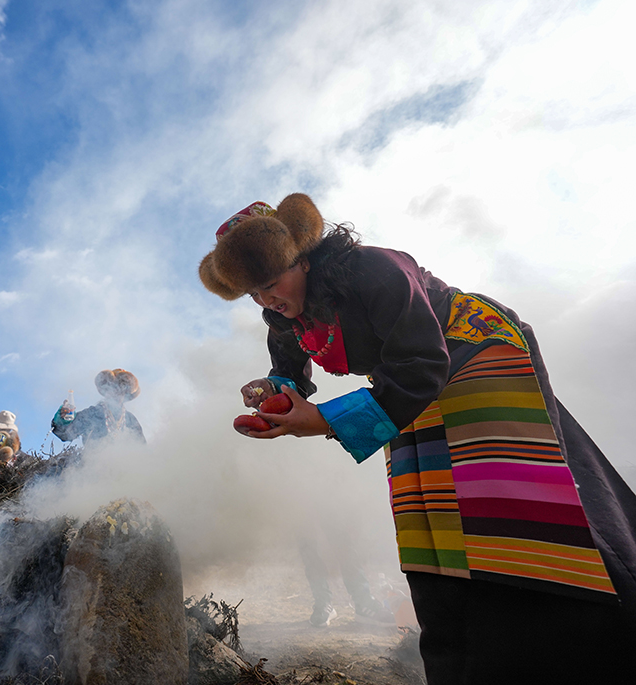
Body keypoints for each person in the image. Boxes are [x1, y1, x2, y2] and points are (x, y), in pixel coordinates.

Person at [198, 193, 636, 683]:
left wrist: (325, 422)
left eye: (269, 284)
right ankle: (465, 663)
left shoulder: (372, 269)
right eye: (252, 293)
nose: (265, 300)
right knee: (428, 518)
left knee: (504, 513)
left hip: (478, 356)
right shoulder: (281, 316)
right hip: (409, 384)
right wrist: (274, 394)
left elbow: (423, 363)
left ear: (302, 257)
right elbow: (290, 375)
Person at [51, 369, 145, 447]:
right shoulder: (91, 414)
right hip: (93, 467)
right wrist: (62, 420)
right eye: (112, 388)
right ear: (105, 391)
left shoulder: (131, 420)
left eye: (121, 389)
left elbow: (142, 449)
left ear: (125, 394)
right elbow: (65, 434)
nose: (116, 393)